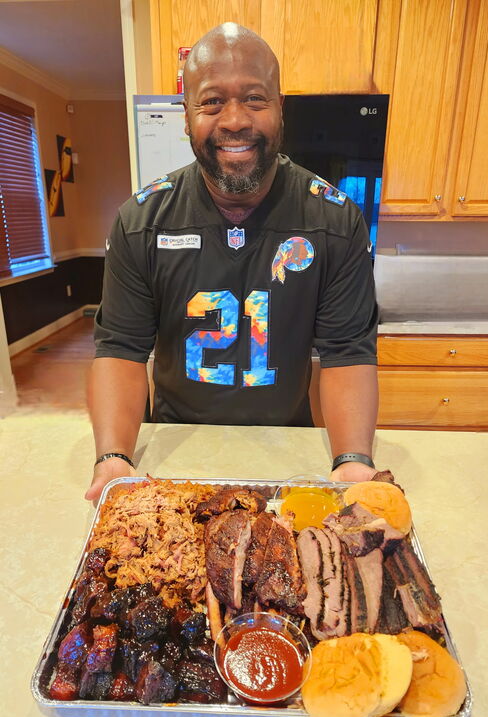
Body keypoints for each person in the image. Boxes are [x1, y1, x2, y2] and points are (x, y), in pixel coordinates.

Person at [85, 22, 379, 502]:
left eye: (255, 98)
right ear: (186, 116)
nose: (235, 120)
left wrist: (352, 459)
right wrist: (113, 456)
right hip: (172, 454)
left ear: (280, 109)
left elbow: (347, 352)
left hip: (288, 450)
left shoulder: (336, 220)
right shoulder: (141, 222)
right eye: (212, 101)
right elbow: (120, 348)